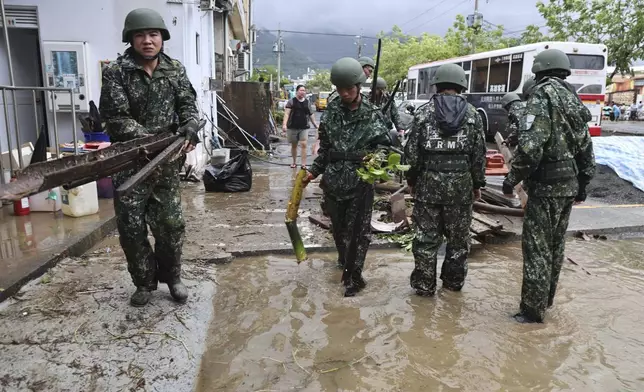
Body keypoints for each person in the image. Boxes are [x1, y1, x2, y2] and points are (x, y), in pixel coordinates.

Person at [100, 8, 200, 307]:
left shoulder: (175, 69)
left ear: (162, 38)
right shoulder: (116, 72)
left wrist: (190, 127)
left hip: (166, 164)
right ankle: (144, 283)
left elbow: (188, 105)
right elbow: (115, 118)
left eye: (153, 34)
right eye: (140, 35)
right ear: (130, 39)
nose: (147, 41)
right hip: (129, 164)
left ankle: (173, 278)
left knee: (170, 225)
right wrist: (152, 141)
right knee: (131, 229)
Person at [502, 48, 596, 323]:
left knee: (536, 248)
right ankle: (547, 301)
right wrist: (583, 184)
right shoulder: (572, 98)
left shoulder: (541, 95)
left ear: (539, 70)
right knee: (556, 247)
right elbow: (586, 148)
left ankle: (532, 312)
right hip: (568, 187)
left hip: (545, 187)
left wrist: (511, 179)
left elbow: (531, 148)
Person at [305, 57, 392, 297]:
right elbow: (325, 150)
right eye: (339, 89)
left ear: (359, 87)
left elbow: (385, 147)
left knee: (359, 232)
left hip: (360, 183)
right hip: (333, 182)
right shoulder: (331, 112)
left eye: (349, 89)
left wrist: (376, 161)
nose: (344, 93)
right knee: (339, 229)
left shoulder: (372, 114)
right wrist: (313, 171)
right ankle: (345, 262)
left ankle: (354, 277)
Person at [404, 63, 486, 297]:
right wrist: (477, 184)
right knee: (458, 240)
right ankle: (452, 285)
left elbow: (411, 154)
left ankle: (424, 287)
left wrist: (412, 179)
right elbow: (479, 155)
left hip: (428, 186)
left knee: (426, 239)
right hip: (460, 188)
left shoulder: (423, 113)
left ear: (437, 84)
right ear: (461, 84)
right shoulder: (472, 114)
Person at [283, 85, 319, 168]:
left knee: (304, 144)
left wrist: (315, 124)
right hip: (292, 127)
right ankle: (294, 162)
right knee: (294, 145)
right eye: (301, 90)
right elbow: (287, 113)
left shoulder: (307, 103)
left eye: (304, 90)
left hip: (304, 127)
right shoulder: (291, 101)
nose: (303, 92)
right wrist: (284, 124)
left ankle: (303, 164)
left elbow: (311, 114)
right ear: (297, 91)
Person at [372, 77, 403, 146]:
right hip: (371, 133)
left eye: (382, 89)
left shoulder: (388, 99)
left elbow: (395, 115)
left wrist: (400, 129)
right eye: (377, 89)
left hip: (386, 131)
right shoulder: (367, 99)